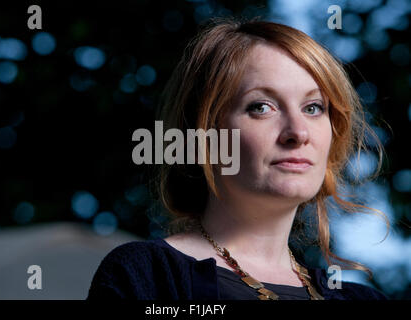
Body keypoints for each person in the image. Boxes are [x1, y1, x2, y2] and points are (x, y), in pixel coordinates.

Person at [87, 17, 389, 300]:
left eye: (313, 108)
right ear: (204, 132)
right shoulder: (147, 277)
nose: (298, 132)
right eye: (261, 107)